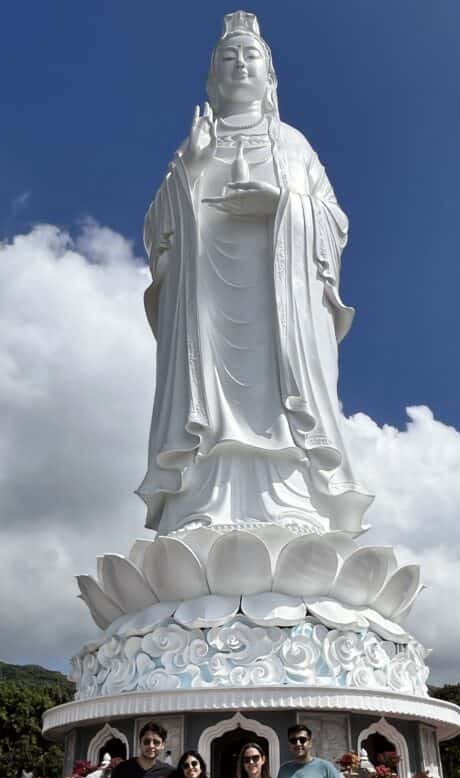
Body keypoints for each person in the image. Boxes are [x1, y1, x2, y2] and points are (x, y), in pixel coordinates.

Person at [137, 10, 371, 536]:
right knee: (209, 404)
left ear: (270, 76)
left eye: (251, 56)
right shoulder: (194, 145)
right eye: (228, 56)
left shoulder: (293, 144)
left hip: (279, 302)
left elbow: (336, 221)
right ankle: (202, 503)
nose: (239, 64)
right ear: (212, 77)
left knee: (277, 399)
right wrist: (190, 170)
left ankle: (291, 502)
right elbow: (156, 232)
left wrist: (283, 207)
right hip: (207, 307)